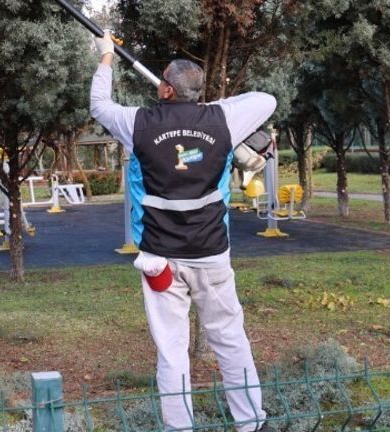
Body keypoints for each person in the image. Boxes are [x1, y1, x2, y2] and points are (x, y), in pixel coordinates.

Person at [89, 32, 275, 432]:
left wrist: (107, 55)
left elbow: (98, 105)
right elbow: (267, 101)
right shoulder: (221, 119)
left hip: (160, 260)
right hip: (211, 254)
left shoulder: (138, 123)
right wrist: (211, 108)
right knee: (230, 339)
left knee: (171, 351)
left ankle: (179, 428)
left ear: (167, 88)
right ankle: (251, 423)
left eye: (161, 81)